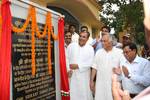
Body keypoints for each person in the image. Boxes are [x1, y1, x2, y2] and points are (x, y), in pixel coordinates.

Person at [90, 34, 123, 100]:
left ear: (111, 42)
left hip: (113, 84)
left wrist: (120, 70)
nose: (102, 43)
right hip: (100, 83)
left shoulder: (120, 52)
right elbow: (94, 67)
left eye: (104, 41)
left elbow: (123, 68)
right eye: (101, 41)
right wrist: (91, 81)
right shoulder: (98, 52)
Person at [67, 31, 94, 100]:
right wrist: (68, 69)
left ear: (87, 39)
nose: (81, 38)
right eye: (80, 36)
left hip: (84, 76)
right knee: (73, 94)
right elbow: (66, 58)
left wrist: (78, 66)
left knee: (84, 94)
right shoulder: (71, 46)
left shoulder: (90, 49)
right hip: (72, 76)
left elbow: (90, 62)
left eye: (84, 37)